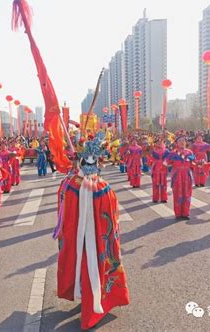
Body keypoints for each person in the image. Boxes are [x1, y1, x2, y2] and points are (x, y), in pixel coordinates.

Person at [55, 133, 129, 330]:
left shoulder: (69, 185)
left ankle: (83, 296)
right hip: (99, 243)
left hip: (91, 241)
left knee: (82, 263)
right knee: (91, 265)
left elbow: (63, 219)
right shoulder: (104, 188)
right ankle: (91, 300)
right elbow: (113, 223)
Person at [167, 136, 195, 219]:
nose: (182, 142)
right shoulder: (173, 153)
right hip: (177, 175)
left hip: (187, 174)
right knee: (177, 194)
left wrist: (201, 164)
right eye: (180, 141)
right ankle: (178, 213)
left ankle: (186, 213)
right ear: (176, 143)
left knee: (187, 194)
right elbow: (166, 163)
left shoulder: (189, 152)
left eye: (183, 141)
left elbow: (193, 163)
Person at [147, 137, 169, 203]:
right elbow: (149, 158)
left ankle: (163, 198)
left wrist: (167, 163)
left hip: (163, 169)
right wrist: (151, 161)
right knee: (155, 184)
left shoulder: (166, 151)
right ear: (155, 143)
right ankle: (155, 198)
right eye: (158, 142)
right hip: (155, 169)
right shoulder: (152, 150)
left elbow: (169, 159)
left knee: (164, 184)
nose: (159, 143)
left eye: (161, 142)